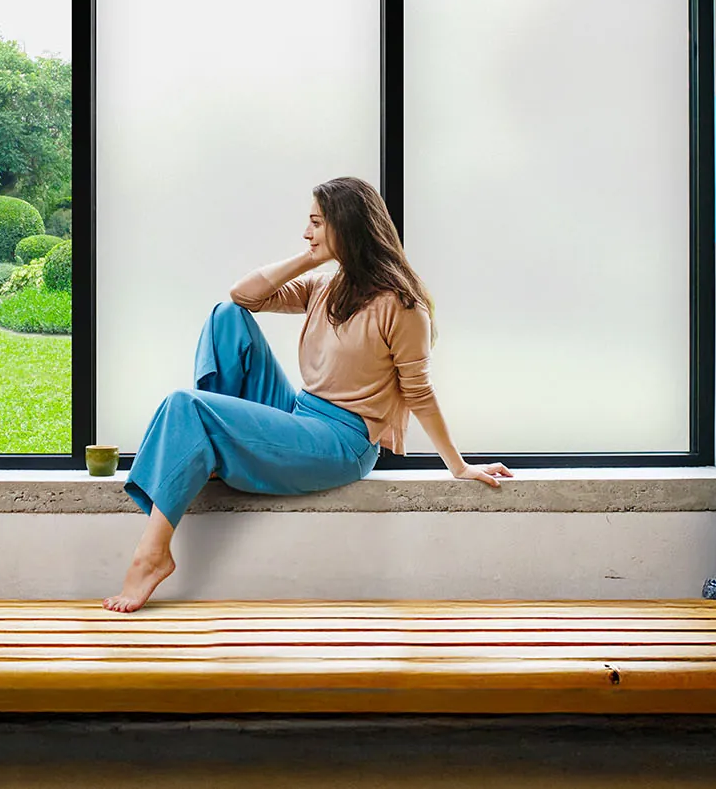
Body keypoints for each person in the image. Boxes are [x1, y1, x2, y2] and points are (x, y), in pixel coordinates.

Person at [103, 176, 512, 612]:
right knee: (227, 317)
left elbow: (420, 394)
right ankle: (209, 457)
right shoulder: (327, 286)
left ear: (347, 227)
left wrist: (458, 466)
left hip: (343, 441)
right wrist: (311, 257)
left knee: (185, 406)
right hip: (302, 413)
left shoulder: (402, 306)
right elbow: (243, 295)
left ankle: (153, 554)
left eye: (316, 223)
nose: (306, 232)